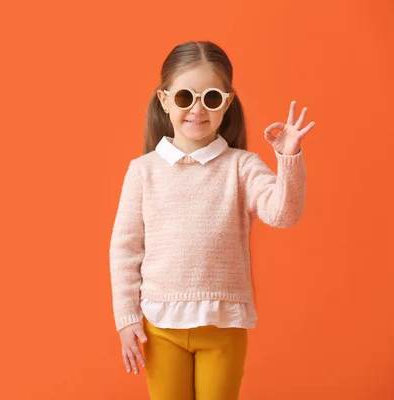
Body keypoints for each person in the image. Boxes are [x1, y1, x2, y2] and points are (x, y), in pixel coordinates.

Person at [108, 40, 315, 400]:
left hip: (224, 324)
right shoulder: (143, 172)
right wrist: (126, 318)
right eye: (186, 97)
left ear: (227, 103)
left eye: (212, 98)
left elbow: (283, 214)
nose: (198, 110)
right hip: (159, 325)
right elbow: (125, 249)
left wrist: (289, 158)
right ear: (165, 100)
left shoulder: (241, 166)